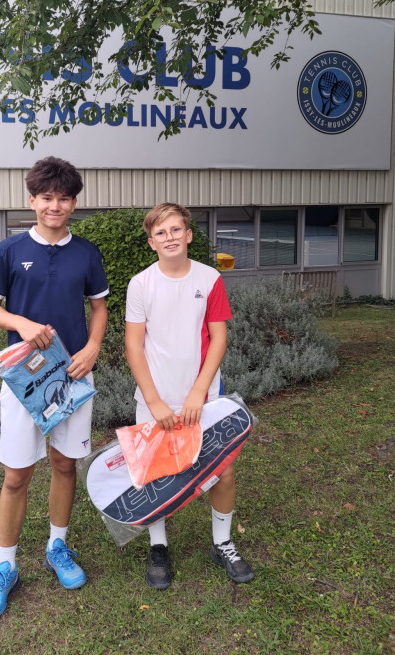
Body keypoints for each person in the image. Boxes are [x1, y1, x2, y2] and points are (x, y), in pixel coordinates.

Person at [0, 157, 108, 621]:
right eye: (47, 197)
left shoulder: (86, 252)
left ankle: (57, 547)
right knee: (16, 474)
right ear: (32, 199)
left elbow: (99, 307)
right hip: (25, 378)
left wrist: (93, 347)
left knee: (64, 464)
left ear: (74, 203)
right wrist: (21, 322)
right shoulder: (9, 250)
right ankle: (6, 566)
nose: (56, 206)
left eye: (64, 198)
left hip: (73, 373)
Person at [125, 202, 253, 590]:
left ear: (189, 235)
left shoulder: (210, 278)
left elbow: (219, 338)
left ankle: (222, 542)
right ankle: (158, 546)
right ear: (151, 242)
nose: (170, 238)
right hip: (155, 399)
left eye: (176, 230)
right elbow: (134, 346)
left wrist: (199, 391)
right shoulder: (140, 284)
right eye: (161, 233)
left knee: (223, 471)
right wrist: (154, 401)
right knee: (154, 474)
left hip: (205, 397)